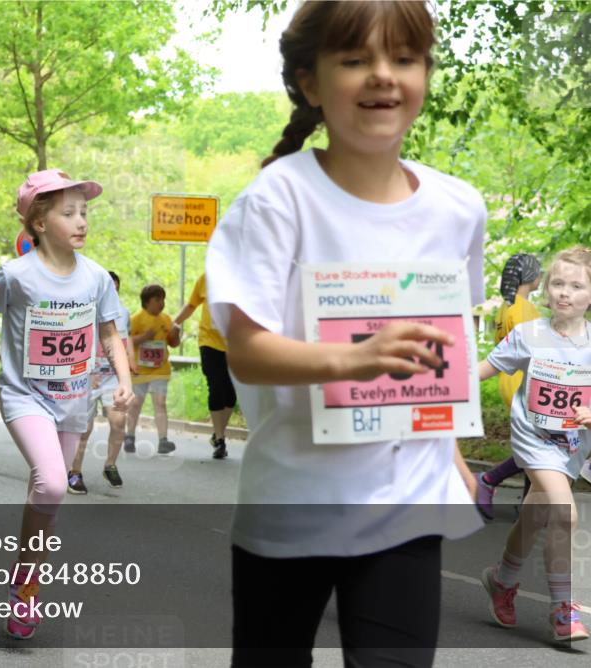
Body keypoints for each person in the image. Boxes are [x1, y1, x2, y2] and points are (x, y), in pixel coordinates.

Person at [205, 2, 486, 665]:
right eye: (356, 59)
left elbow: (444, 349)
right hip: (294, 504)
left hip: (408, 504)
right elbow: (247, 351)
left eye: (404, 58)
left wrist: (450, 453)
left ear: (423, 74)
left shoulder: (458, 208)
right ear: (311, 82)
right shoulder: (277, 199)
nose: (383, 75)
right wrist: (355, 360)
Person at [0, 169, 132, 640]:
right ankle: (26, 583)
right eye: (68, 213)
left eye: (84, 212)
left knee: (50, 500)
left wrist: (124, 380)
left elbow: (110, 333)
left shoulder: (96, 277)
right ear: (38, 222)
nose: (81, 221)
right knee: (52, 481)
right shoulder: (16, 275)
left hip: (73, 400)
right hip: (25, 395)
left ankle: (25, 581)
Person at [476, 246, 590, 642]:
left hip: (571, 445)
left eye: (576, 286)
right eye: (558, 283)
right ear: (546, 288)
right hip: (533, 438)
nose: (565, 293)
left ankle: (501, 581)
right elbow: (484, 369)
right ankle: (562, 609)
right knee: (565, 513)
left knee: (535, 516)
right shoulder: (529, 335)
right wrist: (435, 382)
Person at [473, 253, 542, 518]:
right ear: (530, 276)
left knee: (537, 443)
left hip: (508, 378)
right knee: (539, 444)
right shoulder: (524, 309)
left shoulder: (507, 307)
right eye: (539, 272)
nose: (541, 277)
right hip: (524, 379)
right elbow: (532, 349)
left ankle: (528, 506)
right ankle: (490, 479)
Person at [68, 270, 135, 493]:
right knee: (84, 429)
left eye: (115, 291)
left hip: (112, 378)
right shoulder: (81, 311)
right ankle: (75, 472)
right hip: (86, 378)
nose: (111, 294)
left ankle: (110, 465)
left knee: (118, 422)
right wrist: (86, 371)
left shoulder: (123, 313)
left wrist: (130, 362)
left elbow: (124, 339)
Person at [171, 272, 236, 459]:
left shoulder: (242, 277)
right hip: (209, 342)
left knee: (231, 394)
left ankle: (217, 434)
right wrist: (175, 322)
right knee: (216, 387)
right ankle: (221, 440)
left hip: (235, 344)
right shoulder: (206, 278)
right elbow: (192, 305)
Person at [125, 284, 178, 454]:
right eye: (157, 299)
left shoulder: (166, 319)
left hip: (160, 370)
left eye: (163, 299)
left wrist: (175, 333)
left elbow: (173, 343)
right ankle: (129, 436)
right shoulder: (136, 319)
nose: (162, 303)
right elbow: (126, 342)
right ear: (147, 302)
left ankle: (163, 440)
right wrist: (144, 337)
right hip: (139, 370)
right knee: (135, 404)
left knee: (160, 403)